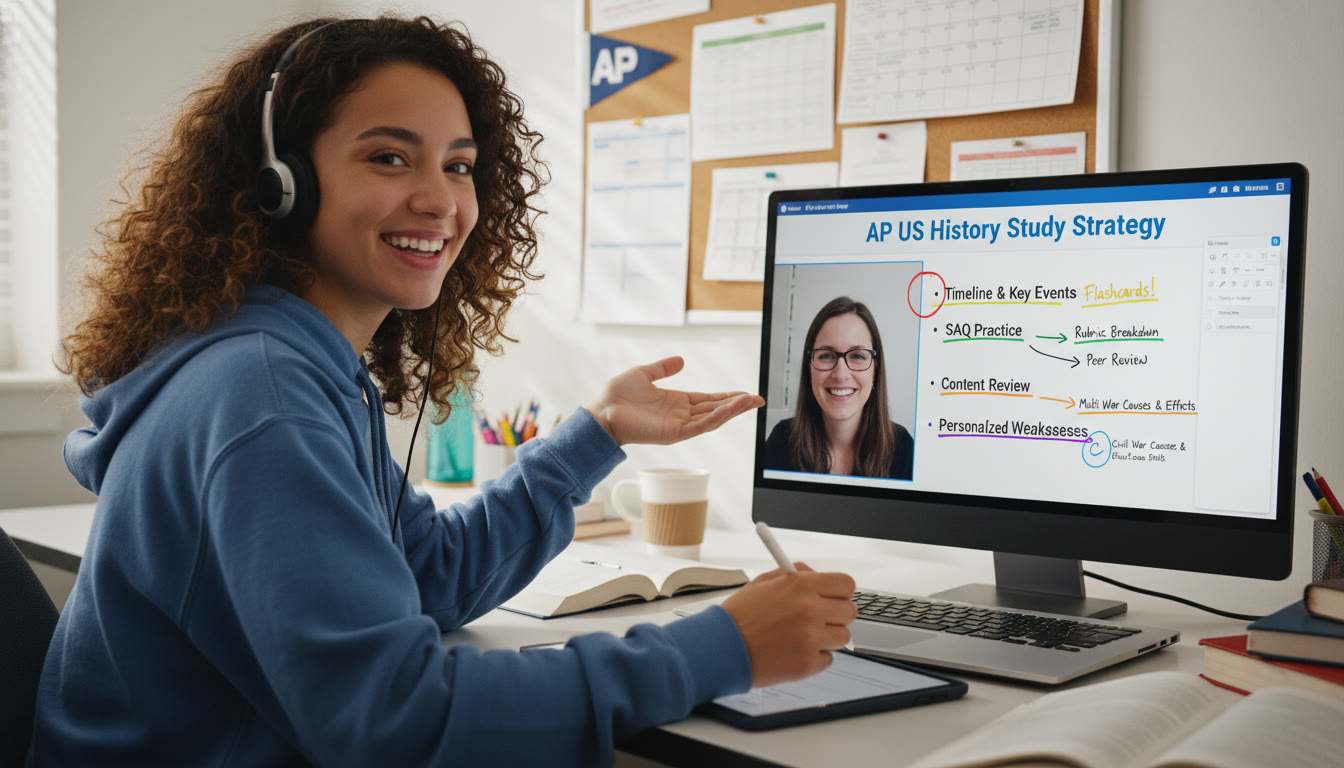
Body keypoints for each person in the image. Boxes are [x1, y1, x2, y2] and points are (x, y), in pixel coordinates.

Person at [28, 16, 857, 767]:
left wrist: (597, 433)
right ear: (283, 182)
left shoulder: (290, 363)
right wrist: (719, 648)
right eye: (389, 157)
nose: (440, 200)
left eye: (458, 166)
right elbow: (397, 723)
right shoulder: (263, 395)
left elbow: (427, 574)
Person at [764, 296, 914, 479]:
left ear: (875, 370)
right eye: (826, 355)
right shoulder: (782, 441)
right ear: (809, 368)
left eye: (858, 356)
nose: (841, 374)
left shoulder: (903, 447)